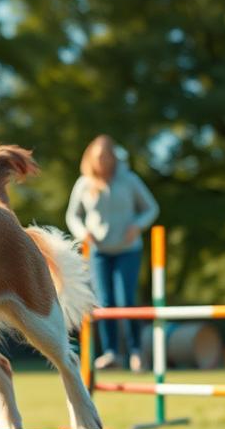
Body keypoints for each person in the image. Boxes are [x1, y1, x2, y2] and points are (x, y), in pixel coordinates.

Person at [66, 135, 159, 372]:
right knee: (104, 301)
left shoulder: (129, 180)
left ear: (114, 157)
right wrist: (83, 232)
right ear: (91, 158)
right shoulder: (84, 183)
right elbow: (73, 216)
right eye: (99, 157)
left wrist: (137, 225)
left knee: (126, 299)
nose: (103, 161)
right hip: (99, 251)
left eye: (107, 157)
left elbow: (151, 208)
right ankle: (111, 353)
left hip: (128, 249)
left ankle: (136, 351)